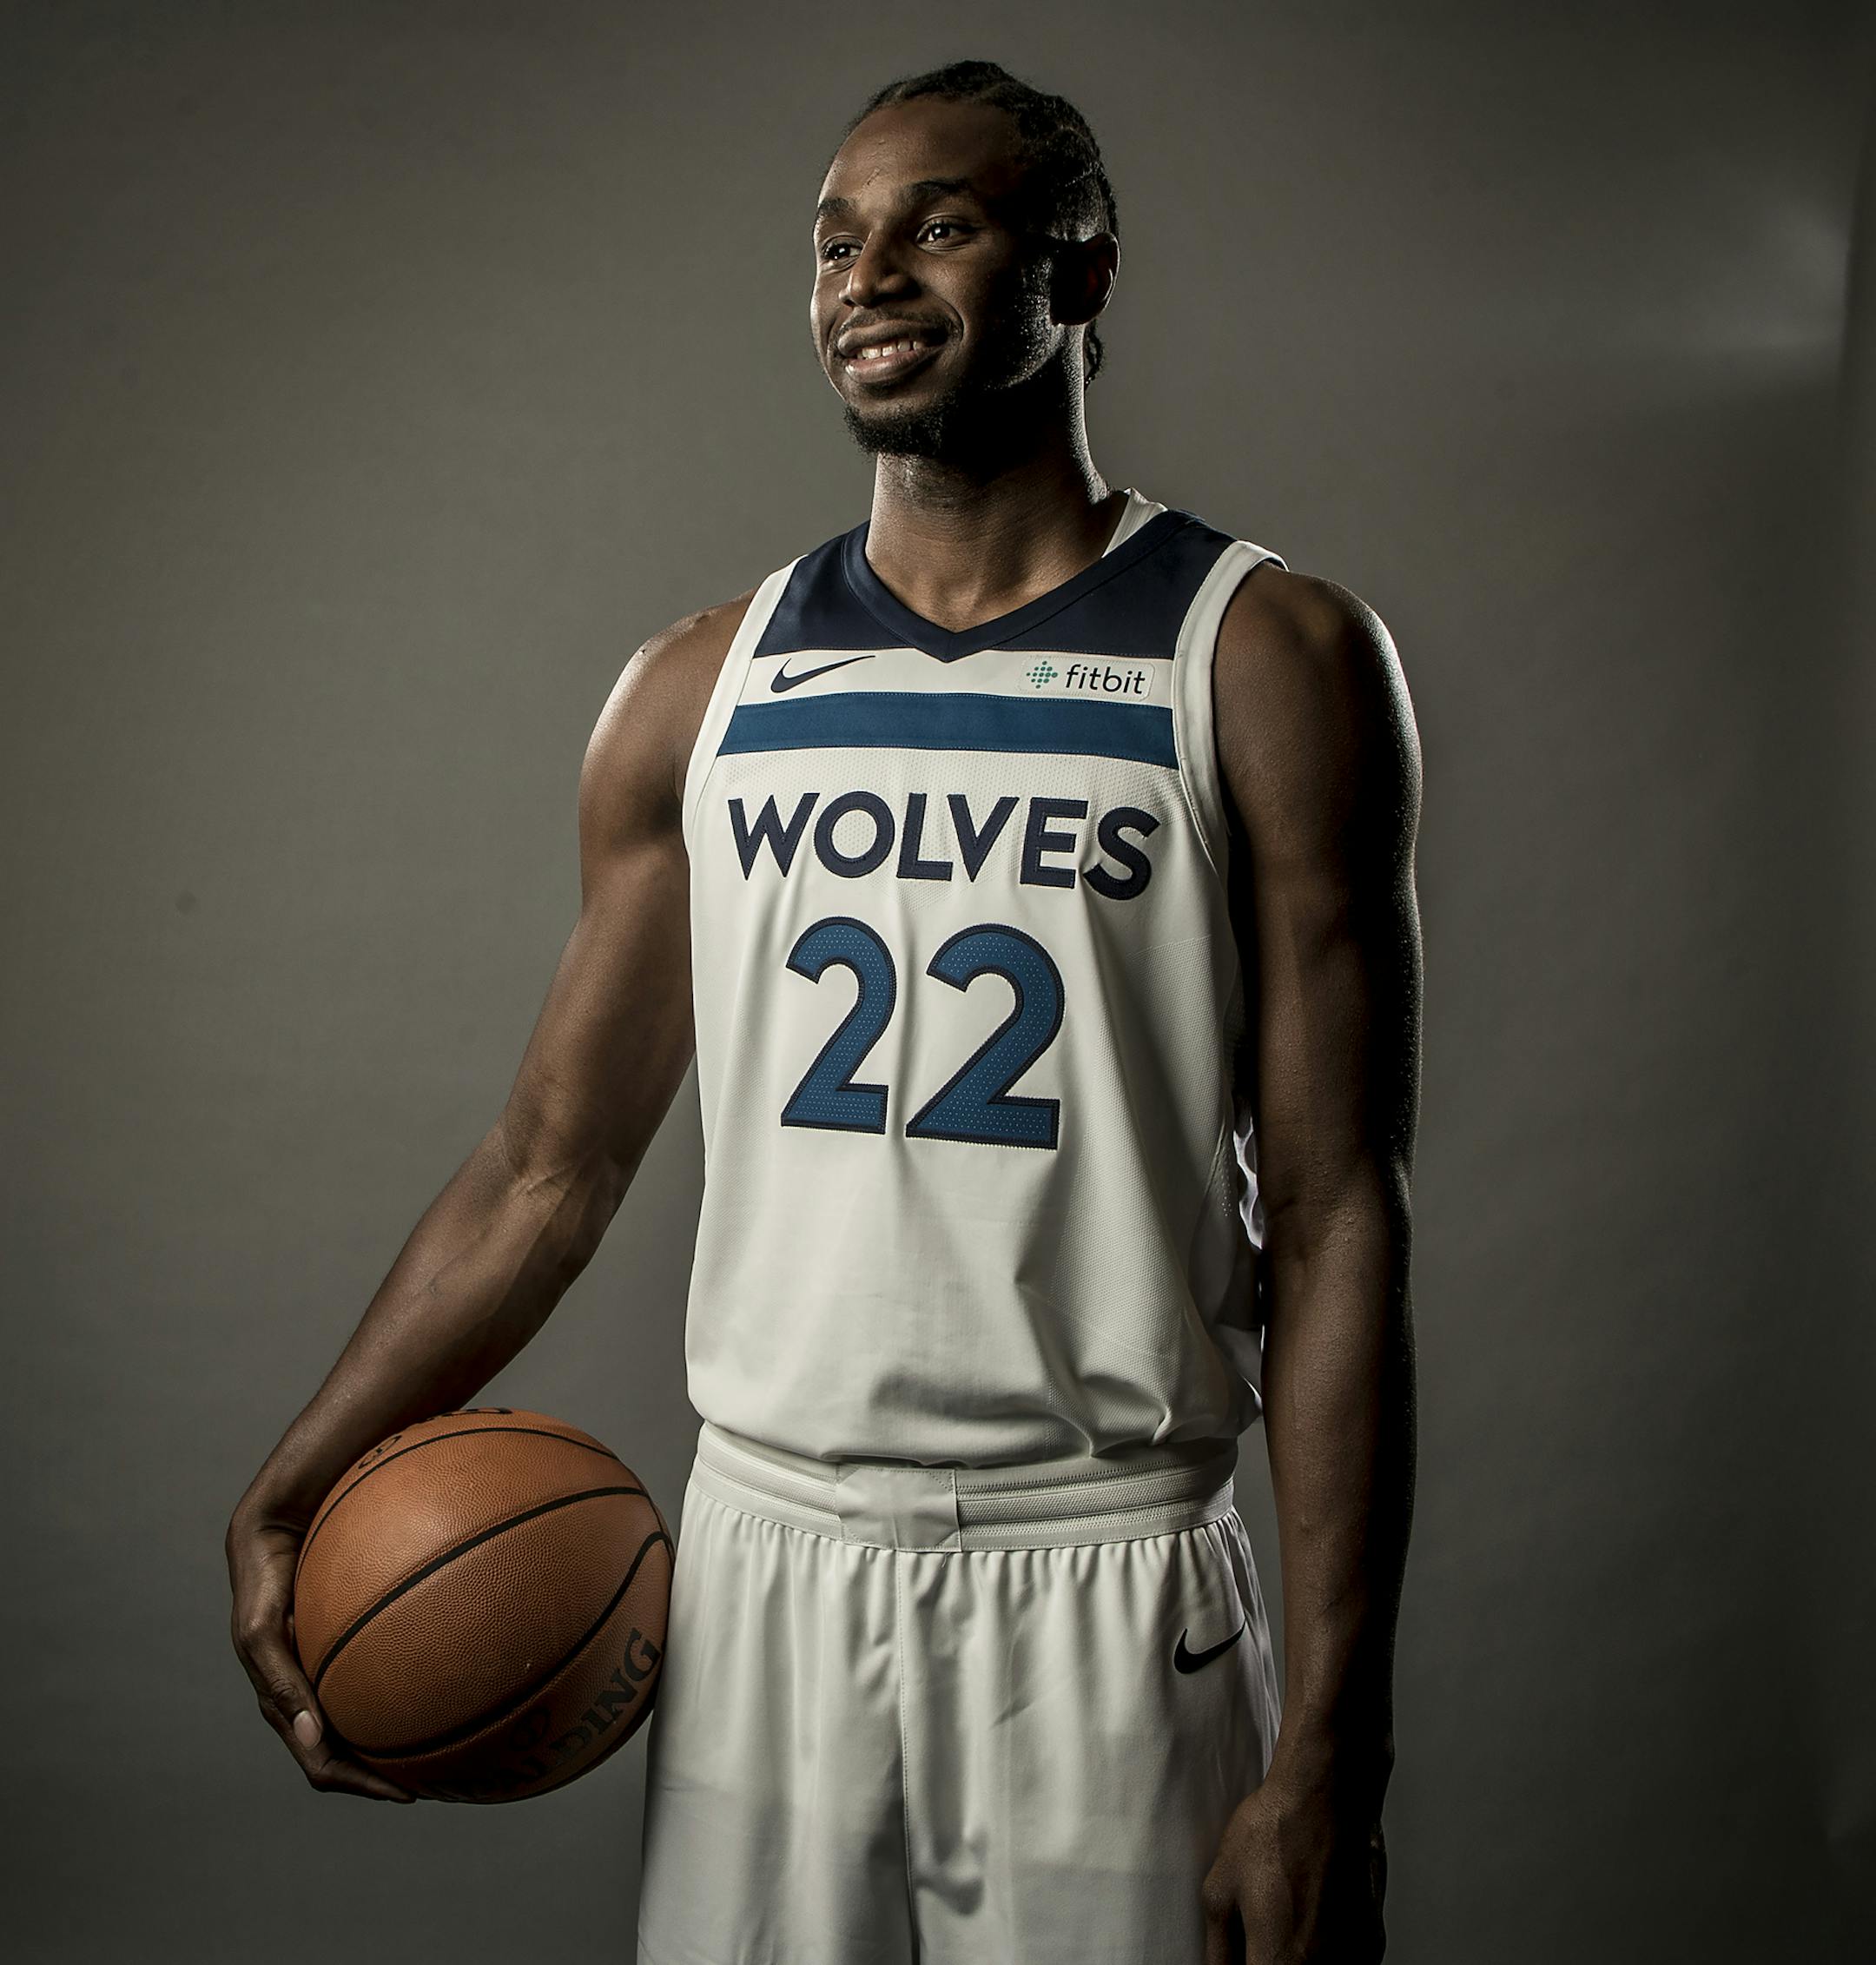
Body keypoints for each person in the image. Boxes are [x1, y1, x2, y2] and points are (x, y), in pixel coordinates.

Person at [227, 57, 1421, 1965]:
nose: (869, 275)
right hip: (767, 1566)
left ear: (1081, 272)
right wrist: (301, 1474)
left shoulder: (1262, 655)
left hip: (1103, 1566)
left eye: (939, 224)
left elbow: (1343, 1214)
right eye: (834, 241)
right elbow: (550, 1163)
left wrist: (1335, 1754)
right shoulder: (704, 685)